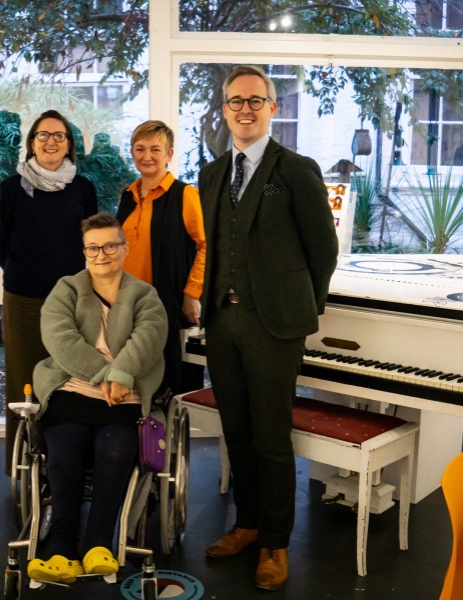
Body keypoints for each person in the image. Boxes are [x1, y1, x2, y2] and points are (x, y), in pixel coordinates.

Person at [198, 66, 338, 590]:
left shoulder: (298, 170)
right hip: (223, 320)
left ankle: (276, 545)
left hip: (275, 325)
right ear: (226, 108)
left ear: (272, 108)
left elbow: (323, 249)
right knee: (236, 431)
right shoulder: (212, 173)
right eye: (236, 101)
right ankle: (249, 525)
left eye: (256, 100)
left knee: (272, 436)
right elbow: (214, 246)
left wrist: (302, 306)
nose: (245, 109)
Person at [26, 213, 167, 583]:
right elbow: (59, 338)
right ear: (84, 251)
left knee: (116, 451)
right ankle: (60, 548)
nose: (101, 254)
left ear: (124, 248)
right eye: (93, 248)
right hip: (72, 389)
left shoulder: (143, 294)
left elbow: (150, 336)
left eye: (109, 246)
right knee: (64, 452)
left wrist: (122, 375)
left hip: (126, 396)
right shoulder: (67, 289)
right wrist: (105, 374)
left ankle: (98, 544)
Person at [0, 110, 98, 472]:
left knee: (69, 381)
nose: (51, 141)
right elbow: (0, 245)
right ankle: (21, 465)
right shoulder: (10, 189)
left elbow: (91, 243)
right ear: (31, 142)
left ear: (69, 144)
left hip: (72, 301)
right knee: (24, 383)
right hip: (23, 299)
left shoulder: (83, 188)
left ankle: (63, 465)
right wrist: (27, 273)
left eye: (59, 135)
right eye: (43, 135)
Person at [117, 120, 206, 394]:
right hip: (127, 306)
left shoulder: (185, 195)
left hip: (165, 305)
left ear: (169, 154)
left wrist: (192, 293)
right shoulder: (128, 196)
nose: (147, 156)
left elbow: (206, 246)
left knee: (167, 386)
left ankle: (165, 437)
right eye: (140, 148)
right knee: (132, 385)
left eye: (155, 149)